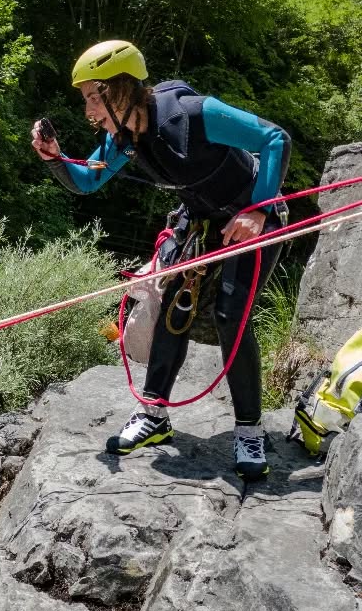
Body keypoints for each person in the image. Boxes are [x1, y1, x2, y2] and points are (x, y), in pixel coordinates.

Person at [31, 40, 291, 480]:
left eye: (96, 97)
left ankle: (249, 430)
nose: (90, 110)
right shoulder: (125, 138)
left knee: (232, 314)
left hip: (253, 217)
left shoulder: (191, 113)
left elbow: (274, 138)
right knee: (174, 307)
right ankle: (155, 414)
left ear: (122, 89)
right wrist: (55, 160)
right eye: (86, 100)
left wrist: (258, 209)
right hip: (203, 223)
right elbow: (86, 183)